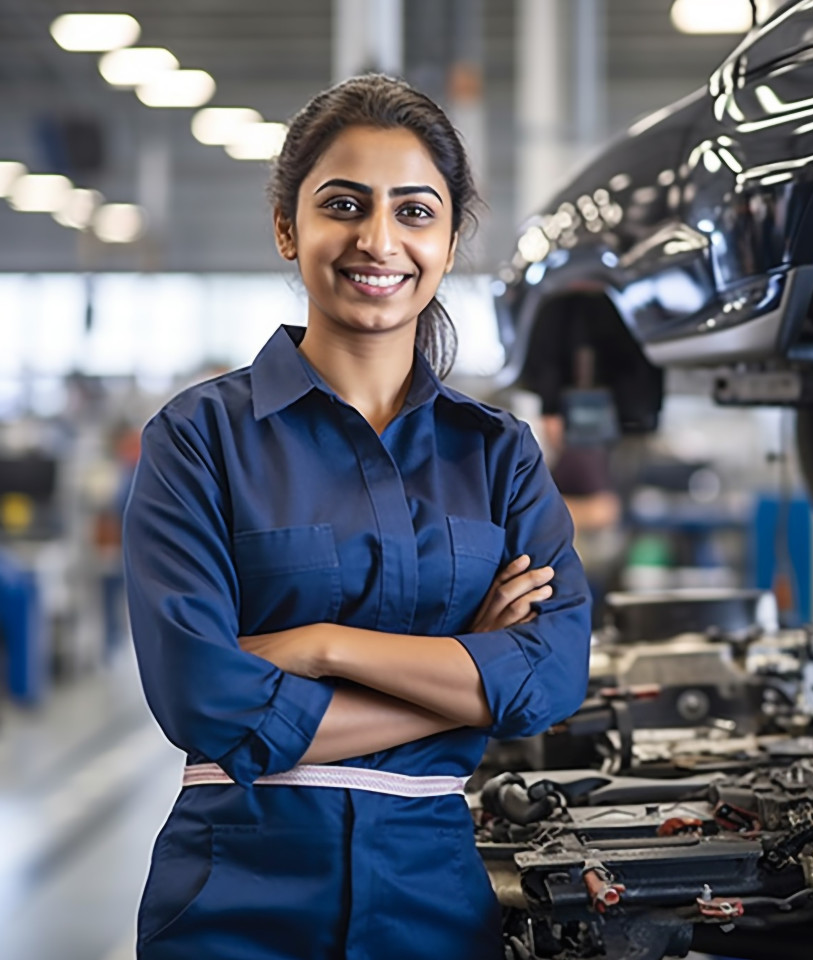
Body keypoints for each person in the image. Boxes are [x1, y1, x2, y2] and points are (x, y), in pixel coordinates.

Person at [122, 74, 591, 960]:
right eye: (345, 205)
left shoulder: (497, 455)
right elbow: (206, 701)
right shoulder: (198, 440)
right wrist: (466, 691)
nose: (379, 240)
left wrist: (318, 646)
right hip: (235, 902)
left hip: (436, 904)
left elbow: (554, 674)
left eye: (416, 212)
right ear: (287, 227)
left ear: (449, 243)